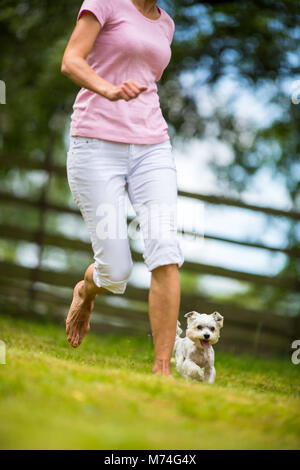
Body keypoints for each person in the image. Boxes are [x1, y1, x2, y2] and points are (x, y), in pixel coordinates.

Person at [61, 0, 184, 376]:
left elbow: (148, 80)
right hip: (95, 144)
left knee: (165, 246)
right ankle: (86, 289)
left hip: (152, 146)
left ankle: (161, 368)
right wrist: (109, 89)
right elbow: (71, 60)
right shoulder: (104, 3)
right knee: (115, 272)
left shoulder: (166, 24)